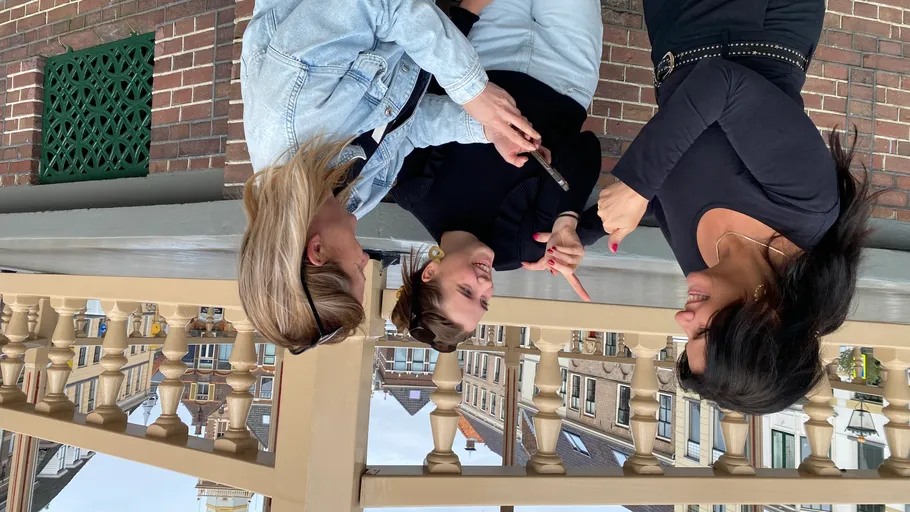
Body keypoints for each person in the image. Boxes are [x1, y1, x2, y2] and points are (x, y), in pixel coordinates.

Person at [594, 0, 876, 415]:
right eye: (702, 332)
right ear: (765, 318)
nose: (682, 319)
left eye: (686, 338)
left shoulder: (704, 266)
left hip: (673, 30)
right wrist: (637, 182)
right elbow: (722, 85)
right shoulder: (807, 208)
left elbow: (663, 196)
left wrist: (575, 230)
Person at [237, 0, 542, 352]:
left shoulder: (294, 110)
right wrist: (485, 129)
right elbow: (404, 129)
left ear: (317, 250)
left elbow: (379, 4)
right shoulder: (348, 203)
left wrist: (473, 91)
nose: (366, 261)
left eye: (357, 271)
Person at [389, 0, 605, 352]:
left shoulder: (414, 192)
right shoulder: (527, 249)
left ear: (430, 273)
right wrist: (567, 219)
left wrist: (466, 15)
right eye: (484, 301)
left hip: (485, 52)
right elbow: (586, 148)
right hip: (567, 67)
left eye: (466, 290)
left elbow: (422, 92)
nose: (484, 284)